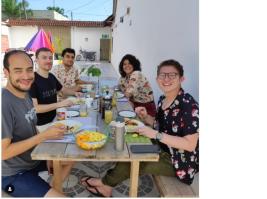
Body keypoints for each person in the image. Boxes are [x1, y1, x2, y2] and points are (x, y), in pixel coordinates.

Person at [80, 59, 199, 197]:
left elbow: (190, 145)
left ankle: (105, 184)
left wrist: (155, 135)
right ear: (157, 78)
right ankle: (106, 184)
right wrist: (145, 117)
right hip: (161, 147)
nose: (166, 79)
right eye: (162, 75)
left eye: (172, 75)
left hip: (179, 161)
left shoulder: (188, 105)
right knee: (129, 147)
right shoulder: (163, 99)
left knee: (139, 162)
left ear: (181, 78)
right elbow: (159, 124)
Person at [1, 50, 72, 197]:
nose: (26, 76)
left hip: (33, 159)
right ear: (6, 73)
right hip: (13, 174)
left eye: (28, 70)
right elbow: (3, 152)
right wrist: (44, 136)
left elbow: (30, 129)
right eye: (18, 71)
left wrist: (50, 135)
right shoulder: (4, 103)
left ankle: (50, 187)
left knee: (72, 156)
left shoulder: (25, 94)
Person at [29, 47, 82, 126]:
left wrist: (75, 93)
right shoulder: (32, 80)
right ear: (36, 60)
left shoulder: (51, 76)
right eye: (44, 58)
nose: (48, 61)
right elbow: (35, 109)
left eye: (50, 58)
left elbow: (63, 90)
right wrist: (60, 104)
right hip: (41, 126)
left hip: (55, 119)